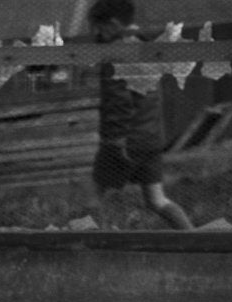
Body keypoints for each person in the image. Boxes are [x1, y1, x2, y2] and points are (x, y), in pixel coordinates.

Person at [88, 0, 193, 229]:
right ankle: (194, 239)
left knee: (99, 200)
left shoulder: (116, 54)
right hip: (151, 139)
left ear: (113, 24)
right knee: (157, 200)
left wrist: (114, 141)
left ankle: (104, 250)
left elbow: (119, 102)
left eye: (98, 27)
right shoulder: (146, 49)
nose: (96, 34)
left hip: (125, 139)